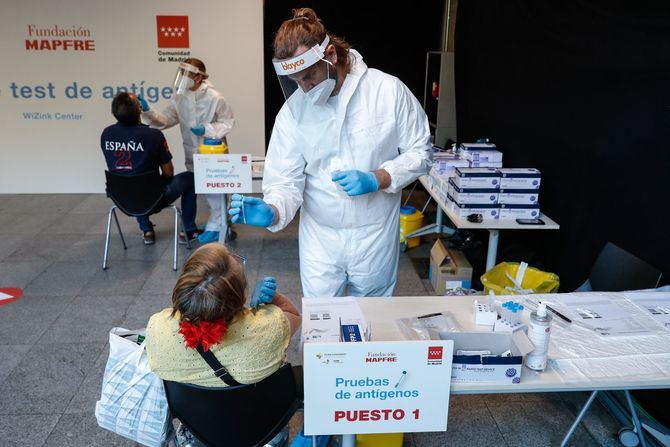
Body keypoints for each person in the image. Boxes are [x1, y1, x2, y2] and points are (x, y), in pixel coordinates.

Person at [228, 8, 431, 297]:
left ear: (331, 55)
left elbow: (421, 151)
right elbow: (286, 181)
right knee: (321, 324)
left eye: (309, 76)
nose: (305, 88)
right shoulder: (293, 112)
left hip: (374, 234)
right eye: (296, 81)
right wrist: (272, 210)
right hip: (320, 240)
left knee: (372, 319)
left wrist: (381, 177)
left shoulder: (386, 91)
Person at [145, 243, 301, 387]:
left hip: (194, 416)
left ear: (183, 285)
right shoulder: (268, 328)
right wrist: (272, 297)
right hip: (260, 412)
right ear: (241, 295)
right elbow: (295, 316)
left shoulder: (157, 328)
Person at [139, 58, 235, 244]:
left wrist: (207, 129)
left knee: (214, 189)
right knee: (203, 188)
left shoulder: (215, 97)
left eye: (186, 75)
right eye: (180, 74)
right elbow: (165, 120)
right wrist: (148, 111)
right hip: (192, 151)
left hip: (212, 150)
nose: (182, 78)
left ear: (199, 77)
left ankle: (218, 227)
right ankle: (221, 221)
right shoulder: (180, 97)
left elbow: (228, 121)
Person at [100, 92, 198, 245]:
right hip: (153, 198)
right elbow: (168, 172)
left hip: (122, 199)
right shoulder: (153, 135)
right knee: (191, 179)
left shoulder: (106, 134)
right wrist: (162, 182)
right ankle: (188, 230)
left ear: (114, 113)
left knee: (132, 178)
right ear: (140, 110)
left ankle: (147, 230)